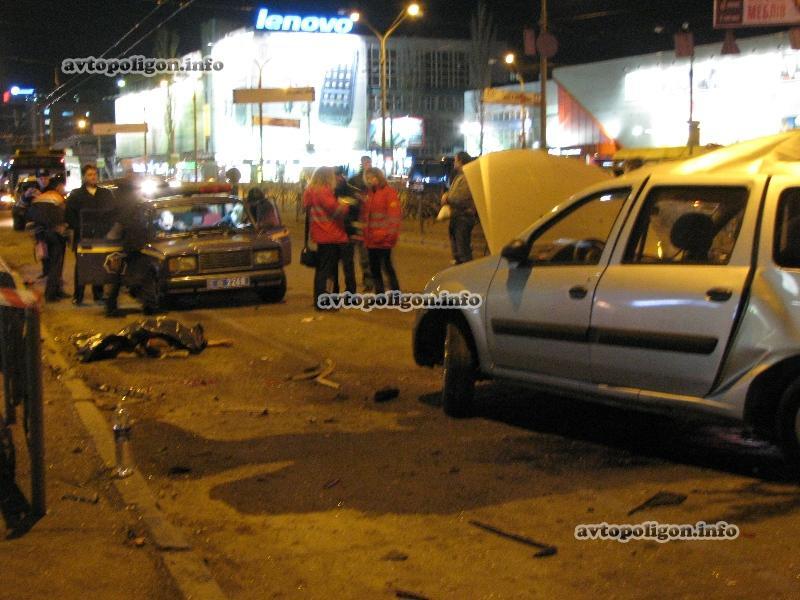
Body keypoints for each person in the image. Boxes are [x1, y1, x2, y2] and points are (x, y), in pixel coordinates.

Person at [65, 164, 113, 305]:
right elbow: (69, 216)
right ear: (84, 177)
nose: (93, 177)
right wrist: (80, 227)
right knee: (82, 265)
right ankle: (78, 296)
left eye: (94, 174)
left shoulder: (105, 194)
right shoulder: (76, 195)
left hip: (100, 236)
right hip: (82, 237)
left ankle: (98, 294)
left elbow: (111, 213)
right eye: (90, 175)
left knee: (99, 264)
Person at [302, 166, 350, 309]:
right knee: (328, 271)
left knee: (322, 270)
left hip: (320, 234)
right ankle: (324, 302)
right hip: (329, 234)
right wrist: (345, 205)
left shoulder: (310, 192)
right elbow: (336, 211)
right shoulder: (323, 192)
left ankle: (321, 299)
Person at [28, 175, 68, 302]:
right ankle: (51, 295)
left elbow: (30, 215)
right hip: (55, 235)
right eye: (62, 187)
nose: (64, 189)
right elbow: (63, 216)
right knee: (56, 265)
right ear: (58, 187)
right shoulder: (57, 197)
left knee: (49, 264)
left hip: (42, 235)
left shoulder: (40, 197)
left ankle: (57, 291)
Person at [362, 167, 401, 293]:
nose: (370, 180)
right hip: (371, 238)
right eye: (368, 178)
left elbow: (394, 216)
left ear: (379, 177)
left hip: (383, 238)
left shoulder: (388, 193)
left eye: (372, 177)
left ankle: (395, 293)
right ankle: (380, 294)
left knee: (387, 267)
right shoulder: (370, 194)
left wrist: (389, 234)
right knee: (375, 268)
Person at [441, 151, 477, 264]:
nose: (454, 162)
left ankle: (466, 271)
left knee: (463, 250)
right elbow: (453, 192)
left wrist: (447, 198)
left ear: (461, 161)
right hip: (457, 216)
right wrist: (448, 195)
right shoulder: (459, 176)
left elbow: (460, 197)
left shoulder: (466, 177)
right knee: (458, 248)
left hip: (463, 217)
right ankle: (460, 267)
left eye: (455, 160)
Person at [347, 156, 374, 291]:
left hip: (367, 222)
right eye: (365, 162)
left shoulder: (374, 179)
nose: (367, 165)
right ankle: (352, 282)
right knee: (351, 255)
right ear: (362, 164)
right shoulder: (354, 180)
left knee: (365, 255)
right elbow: (349, 200)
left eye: (369, 162)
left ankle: (368, 280)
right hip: (356, 221)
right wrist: (357, 199)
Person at [334, 167, 360, 294]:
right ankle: (334, 292)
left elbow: (357, 214)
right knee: (333, 266)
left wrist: (354, 232)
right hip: (333, 234)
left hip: (347, 234)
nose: (337, 178)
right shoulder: (330, 191)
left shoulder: (352, 192)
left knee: (348, 266)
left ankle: (350, 294)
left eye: (338, 176)